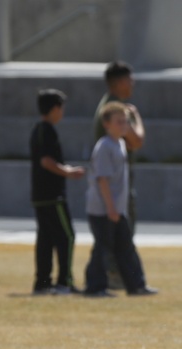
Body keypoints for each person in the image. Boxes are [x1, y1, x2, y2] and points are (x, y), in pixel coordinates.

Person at [84, 102, 156, 297]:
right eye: (119, 122)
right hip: (104, 209)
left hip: (117, 209)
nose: (123, 125)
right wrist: (110, 208)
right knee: (102, 247)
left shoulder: (121, 144)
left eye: (125, 121)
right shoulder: (104, 147)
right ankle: (94, 286)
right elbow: (102, 180)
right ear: (107, 124)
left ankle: (136, 285)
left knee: (125, 247)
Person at [94, 61, 146, 289]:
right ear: (120, 82)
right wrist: (137, 117)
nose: (132, 83)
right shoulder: (117, 110)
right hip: (116, 181)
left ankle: (115, 276)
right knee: (117, 231)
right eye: (129, 79)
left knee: (112, 232)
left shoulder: (107, 106)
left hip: (113, 178)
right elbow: (136, 141)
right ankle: (114, 276)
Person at [30, 89, 86, 296]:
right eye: (61, 108)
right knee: (67, 236)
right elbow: (46, 161)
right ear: (54, 109)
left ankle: (42, 283)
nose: (62, 112)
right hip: (52, 196)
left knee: (45, 239)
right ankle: (64, 282)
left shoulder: (38, 129)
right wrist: (68, 172)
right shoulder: (48, 130)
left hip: (39, 195)